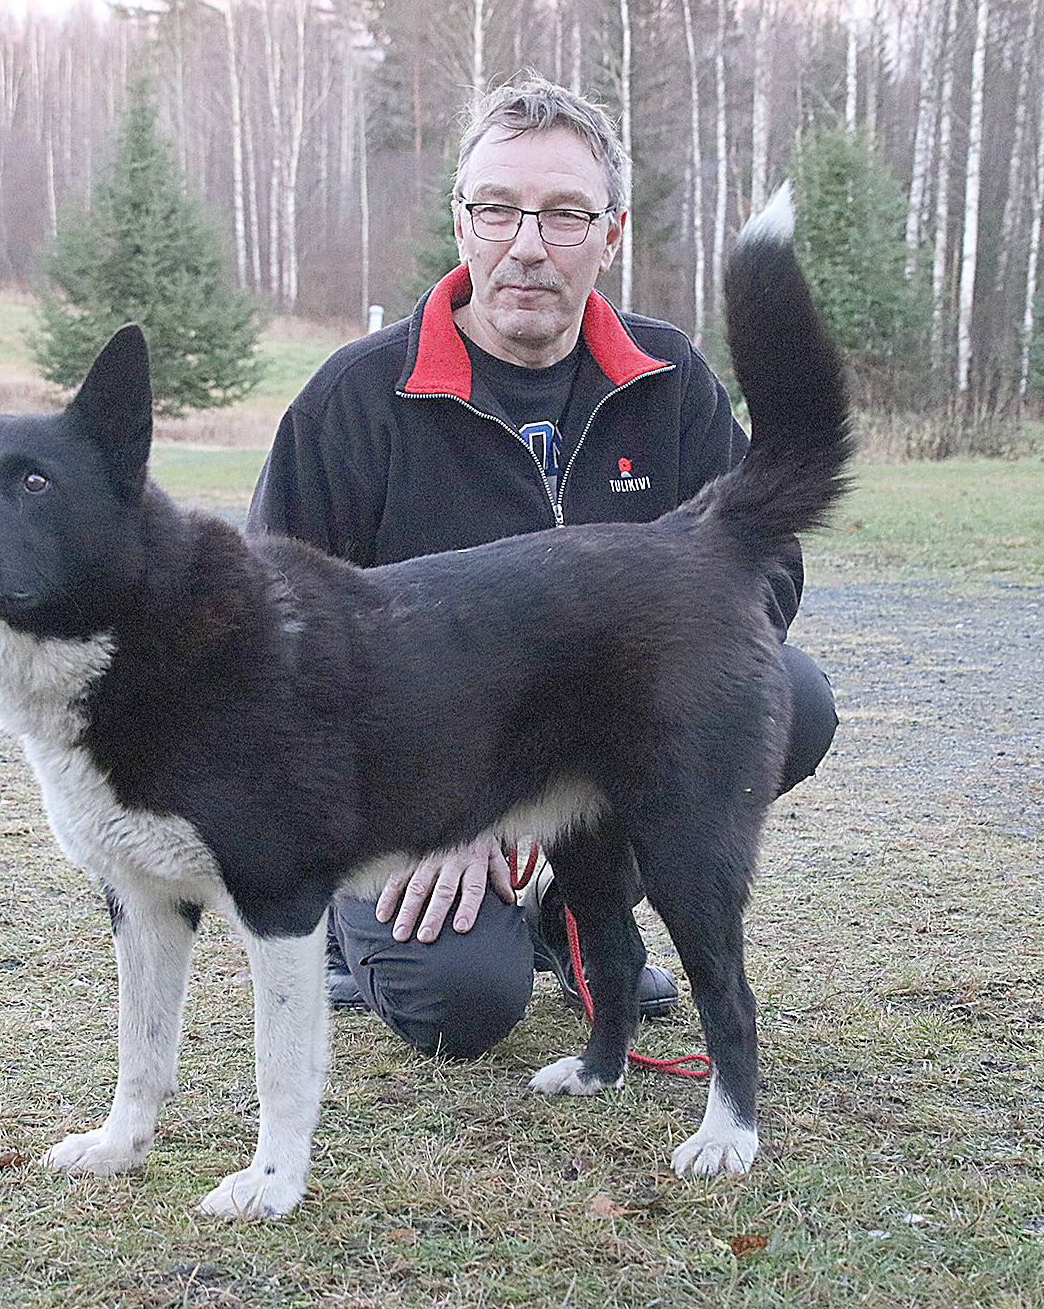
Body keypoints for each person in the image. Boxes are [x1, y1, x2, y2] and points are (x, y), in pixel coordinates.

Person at [246, 76, 837, 1060]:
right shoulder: (353, 398)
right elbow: (279, 642)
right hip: (419, 790)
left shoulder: (670, 378)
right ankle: (373, 931)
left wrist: (614, 720)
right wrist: (461, 801)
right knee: (462, 1007)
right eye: (499, 209)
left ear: (608, 235)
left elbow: (761, 569)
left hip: (609, 739)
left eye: (565, 214)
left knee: (793, 692)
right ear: (461, 222)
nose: (528, 243)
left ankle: (587, 918)